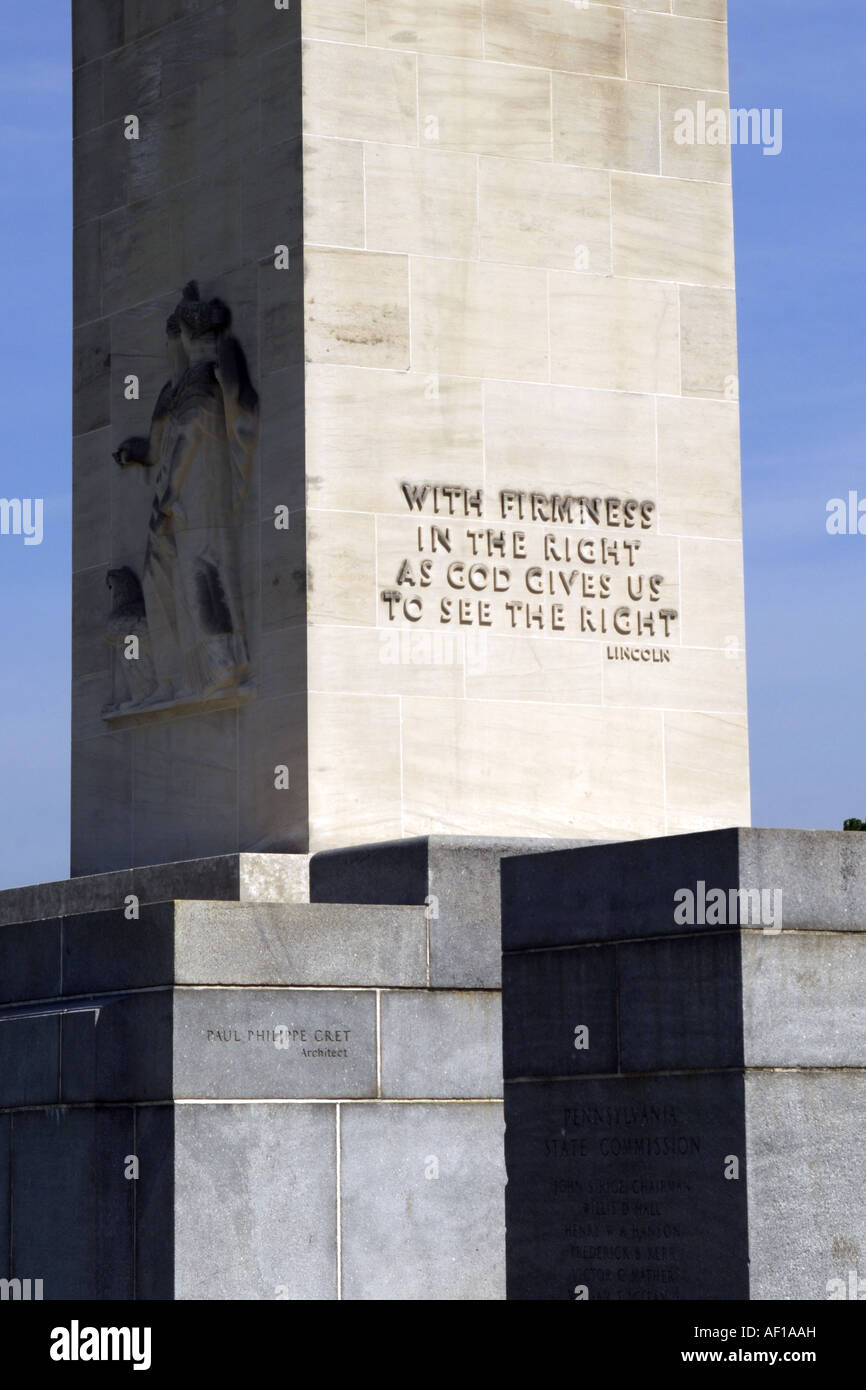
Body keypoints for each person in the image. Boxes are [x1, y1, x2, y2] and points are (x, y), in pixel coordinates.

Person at [113, 282, 258, 704]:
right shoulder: (178, 387)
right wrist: (138, 454)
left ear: (188, 338)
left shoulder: (202, 379)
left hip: (195, 499)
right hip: (179, 501)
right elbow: (163, 445)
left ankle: (224, 666)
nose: (171, 347)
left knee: (203, 578)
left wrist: (168, 497)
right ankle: (174, 677)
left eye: (175, 336)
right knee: (173, 584)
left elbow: (189, 439)